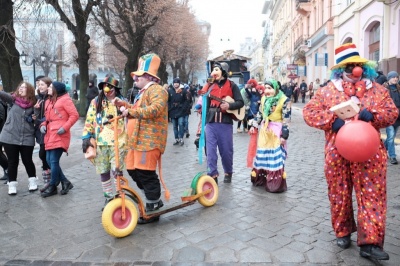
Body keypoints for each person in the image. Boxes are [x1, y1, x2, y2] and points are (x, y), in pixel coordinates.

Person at [303, 43, 397, 261]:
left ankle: (370, 242)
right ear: (340, 70)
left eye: (358, 65)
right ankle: (343, 231)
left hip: (370, 153)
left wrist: (372, 114)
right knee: (340, 194)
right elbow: (309, 112)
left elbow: (391, 113)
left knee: (372, 195)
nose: (355, 70)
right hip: (338, 153)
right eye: (349, 66)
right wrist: (332, 122)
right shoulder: (327, 91)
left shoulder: (377, 90)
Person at [113, 53, 168, 224]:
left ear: (148, 76)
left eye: (138, 76)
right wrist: (125, 106)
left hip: (149, 141)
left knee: (145, 173)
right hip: (136, 141)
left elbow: (154, 110)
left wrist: (131, 111)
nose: (135, 78)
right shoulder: (142, 92)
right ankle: (151, 200)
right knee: (132, 170)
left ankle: (153, 207)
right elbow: (139, 109)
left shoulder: (157, 90)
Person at [82, 77, 128, 205]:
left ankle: (120, 196)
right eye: (105, 87)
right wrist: (86, 137)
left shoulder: (121, 101)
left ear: (115, 89)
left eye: (110, 87)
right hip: (101, 142)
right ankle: (108, 198)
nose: (108, 90)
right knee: (103, 171)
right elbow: (89, 120)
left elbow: (129, 116)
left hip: (118, 142)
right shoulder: (96, 102)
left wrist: (125, 110)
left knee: (117, 171)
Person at [198, 61, 244, 184]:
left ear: (223, 71)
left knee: (226, 151)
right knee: (210, 151)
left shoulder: (232, 85)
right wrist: (201, 108)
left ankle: (228, 172)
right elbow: (203, 100)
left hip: (225, 122)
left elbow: (240, 102)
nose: (214, 72)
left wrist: (229, 105)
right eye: (213, 70)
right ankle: (213, 175)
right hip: (211, 122)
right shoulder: (209, 85)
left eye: (217, 69)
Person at [248, 79, 291, 193]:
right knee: (263, 154)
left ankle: (275, 183)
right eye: (266, 88)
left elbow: (286, 119)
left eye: (270, 88)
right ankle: (262, 179)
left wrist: (284, 136)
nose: (267, 91)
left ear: (276, 88)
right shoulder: (263, 99)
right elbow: (260, 114)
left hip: (276, 132)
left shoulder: (284, 100)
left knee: (275, 156)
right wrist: (254, 125)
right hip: (264, 131)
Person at [40, 82, 79, 197]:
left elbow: (74, 115)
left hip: (60, 133)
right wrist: (42, 125)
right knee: (48, 159)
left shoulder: (65, 100)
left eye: (51, 87)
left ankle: (53, 186)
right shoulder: (49, 101)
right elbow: (47, 118)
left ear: (56, 89)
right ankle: (65, 182)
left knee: (53, 160)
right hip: (50, 133)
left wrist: (65, 127)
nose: (49, 88)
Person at [0, 82, 38, 195]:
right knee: (13, 162)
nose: (21, 89)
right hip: (10, 136)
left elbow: (38, 117)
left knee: (28, 160)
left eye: (24, 88)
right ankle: (12, 184)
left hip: (27, 136)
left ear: (29, 90)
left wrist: (34, 117)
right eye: (20, 87)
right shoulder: (12, 100)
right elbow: (1, 94)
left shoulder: (34, 103)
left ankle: (32, 181)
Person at [33, 77, 52, 192]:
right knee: (43, 155)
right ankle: (49, 180)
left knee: (46, 155)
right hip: (40, 130)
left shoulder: (50, 98)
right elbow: (36, 117)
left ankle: (51, 180)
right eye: (38, 85)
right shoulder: (38, 98)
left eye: (42, 85)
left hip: (49, 130)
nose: (39, 87)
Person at [383, 71, 400, 165]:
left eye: (396, 77)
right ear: (389, 78)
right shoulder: (384, 89)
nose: (396, 79)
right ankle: (392, 156)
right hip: (389, 116)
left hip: (398, 117)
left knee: (391, 137)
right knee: (391, 137)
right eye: (393, 77)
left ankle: (381, 150)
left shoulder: (398, 88)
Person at [168, 78, 189, 146]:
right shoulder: (170, 91)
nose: (176, 84)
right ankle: (176, 138)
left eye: (177, 83)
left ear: (179, 84)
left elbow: (187, 100)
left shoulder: (183, 91)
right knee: (174, 126)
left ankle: (181, 138)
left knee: (181, 124)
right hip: (173, 110)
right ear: (173, 83)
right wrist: (169, 108)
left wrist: (183, 108)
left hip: (181, 110)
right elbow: (168, 100)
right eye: (175, 83)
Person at [0, 96, 8, 183]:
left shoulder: (0, 104)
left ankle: (8, 170)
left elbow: (1, 117)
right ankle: (7, 171)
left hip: (1, 131)